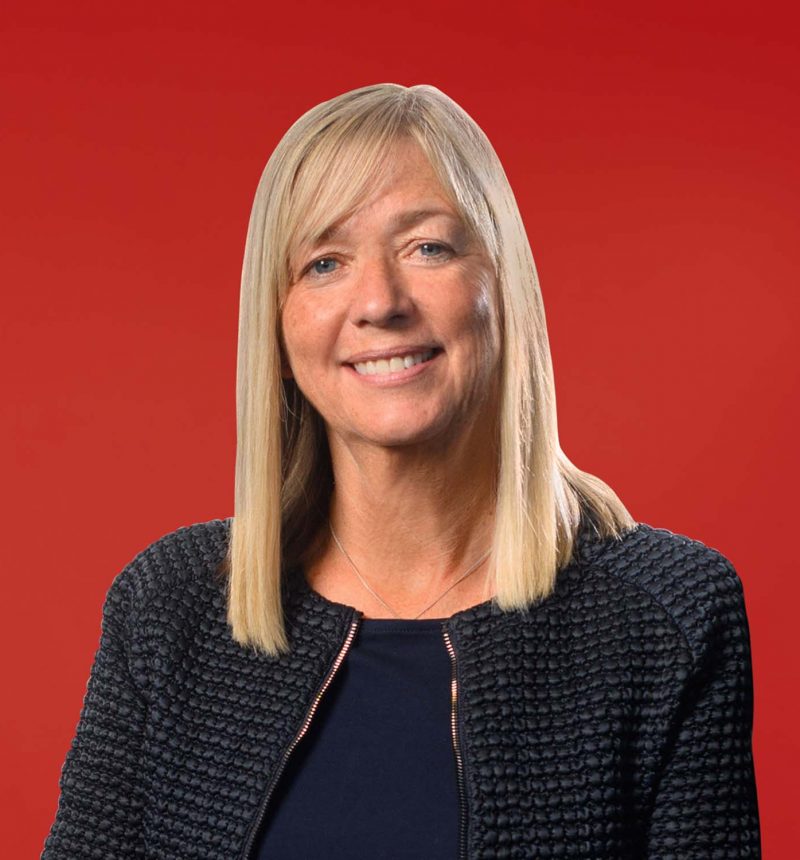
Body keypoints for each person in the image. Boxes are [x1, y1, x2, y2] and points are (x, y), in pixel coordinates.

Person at [41, 83, 761, 858]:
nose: (379, 301)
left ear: (503, 286)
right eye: (324, 262)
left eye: (428, 248)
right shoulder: (169, 605)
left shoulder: (670, 614)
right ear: (277, 332)